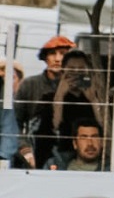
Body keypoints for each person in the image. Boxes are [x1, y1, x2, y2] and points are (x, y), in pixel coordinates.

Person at [38, 49, 107, 170]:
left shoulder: (99, 98)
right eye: (71, 69)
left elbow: (104, 127)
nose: (76, 73)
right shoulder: (49, 98)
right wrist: (60, 96)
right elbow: (53, 128)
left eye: (81, 69)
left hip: (92, 155)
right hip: (61, 155)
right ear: (63, 71)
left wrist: (93, 99)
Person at [14, 35, 75, 168]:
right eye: (52, 53)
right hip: (35, 148)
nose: (57, 59)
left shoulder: (77, 88)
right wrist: (25, 149)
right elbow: (14, 123)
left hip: (68, 153)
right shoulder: (30, 84)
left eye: (63, 54)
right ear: (45, 57)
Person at [43, 119, 111, 171]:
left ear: (102, 142)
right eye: (84, 137)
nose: (90, 143)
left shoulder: (113, 169)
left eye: (94, 137)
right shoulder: (55, 165)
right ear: (75, 144)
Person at [0, 57, 24, 166]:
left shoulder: (24, 102)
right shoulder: (3, 103)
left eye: (11, 78)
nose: (6, 82)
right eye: (2, 78)